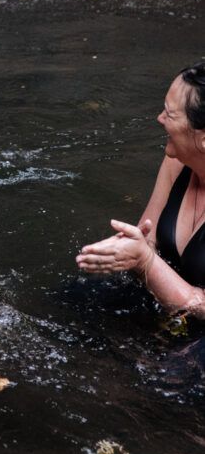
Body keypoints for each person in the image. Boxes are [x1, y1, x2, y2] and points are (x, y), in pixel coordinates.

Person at [77, 61, 205, 316]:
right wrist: (125, 250)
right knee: (73, 301)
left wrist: (145, 261)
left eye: (169, 114)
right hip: (164, 300)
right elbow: (147, 237)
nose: (159, 119)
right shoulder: (177, 160)